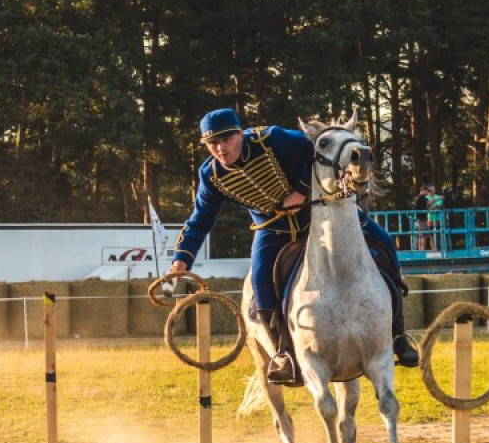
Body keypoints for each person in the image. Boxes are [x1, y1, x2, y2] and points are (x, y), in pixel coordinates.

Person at [170, 108, 419, 385]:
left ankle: (398, 334)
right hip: (272, 229)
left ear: (240, 134)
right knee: (261, 281)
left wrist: (300, 191)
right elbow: (200, 219)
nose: (220, 147)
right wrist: (181, 261)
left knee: (383, 240)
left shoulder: (273, 139)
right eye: (212, 143)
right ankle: (284, 354)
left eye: (226, 139)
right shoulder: (211, 175)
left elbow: (311, 151)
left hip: (319, 214)